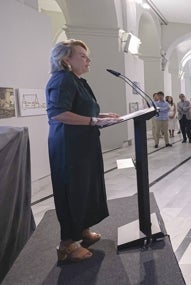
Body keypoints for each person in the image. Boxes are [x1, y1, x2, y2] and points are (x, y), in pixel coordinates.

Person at [46, 39, 120, 262]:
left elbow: (83, 110)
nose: (88, 60)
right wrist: (92, 121)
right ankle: (66, 244)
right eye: (82, 56)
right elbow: (57, 113)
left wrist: (101, 116)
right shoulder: (62, 80)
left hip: (84, 145)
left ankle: (82, 230)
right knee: (73, 191)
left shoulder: (78, 81)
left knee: (87, 188)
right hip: (69, 148)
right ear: (65, 59)